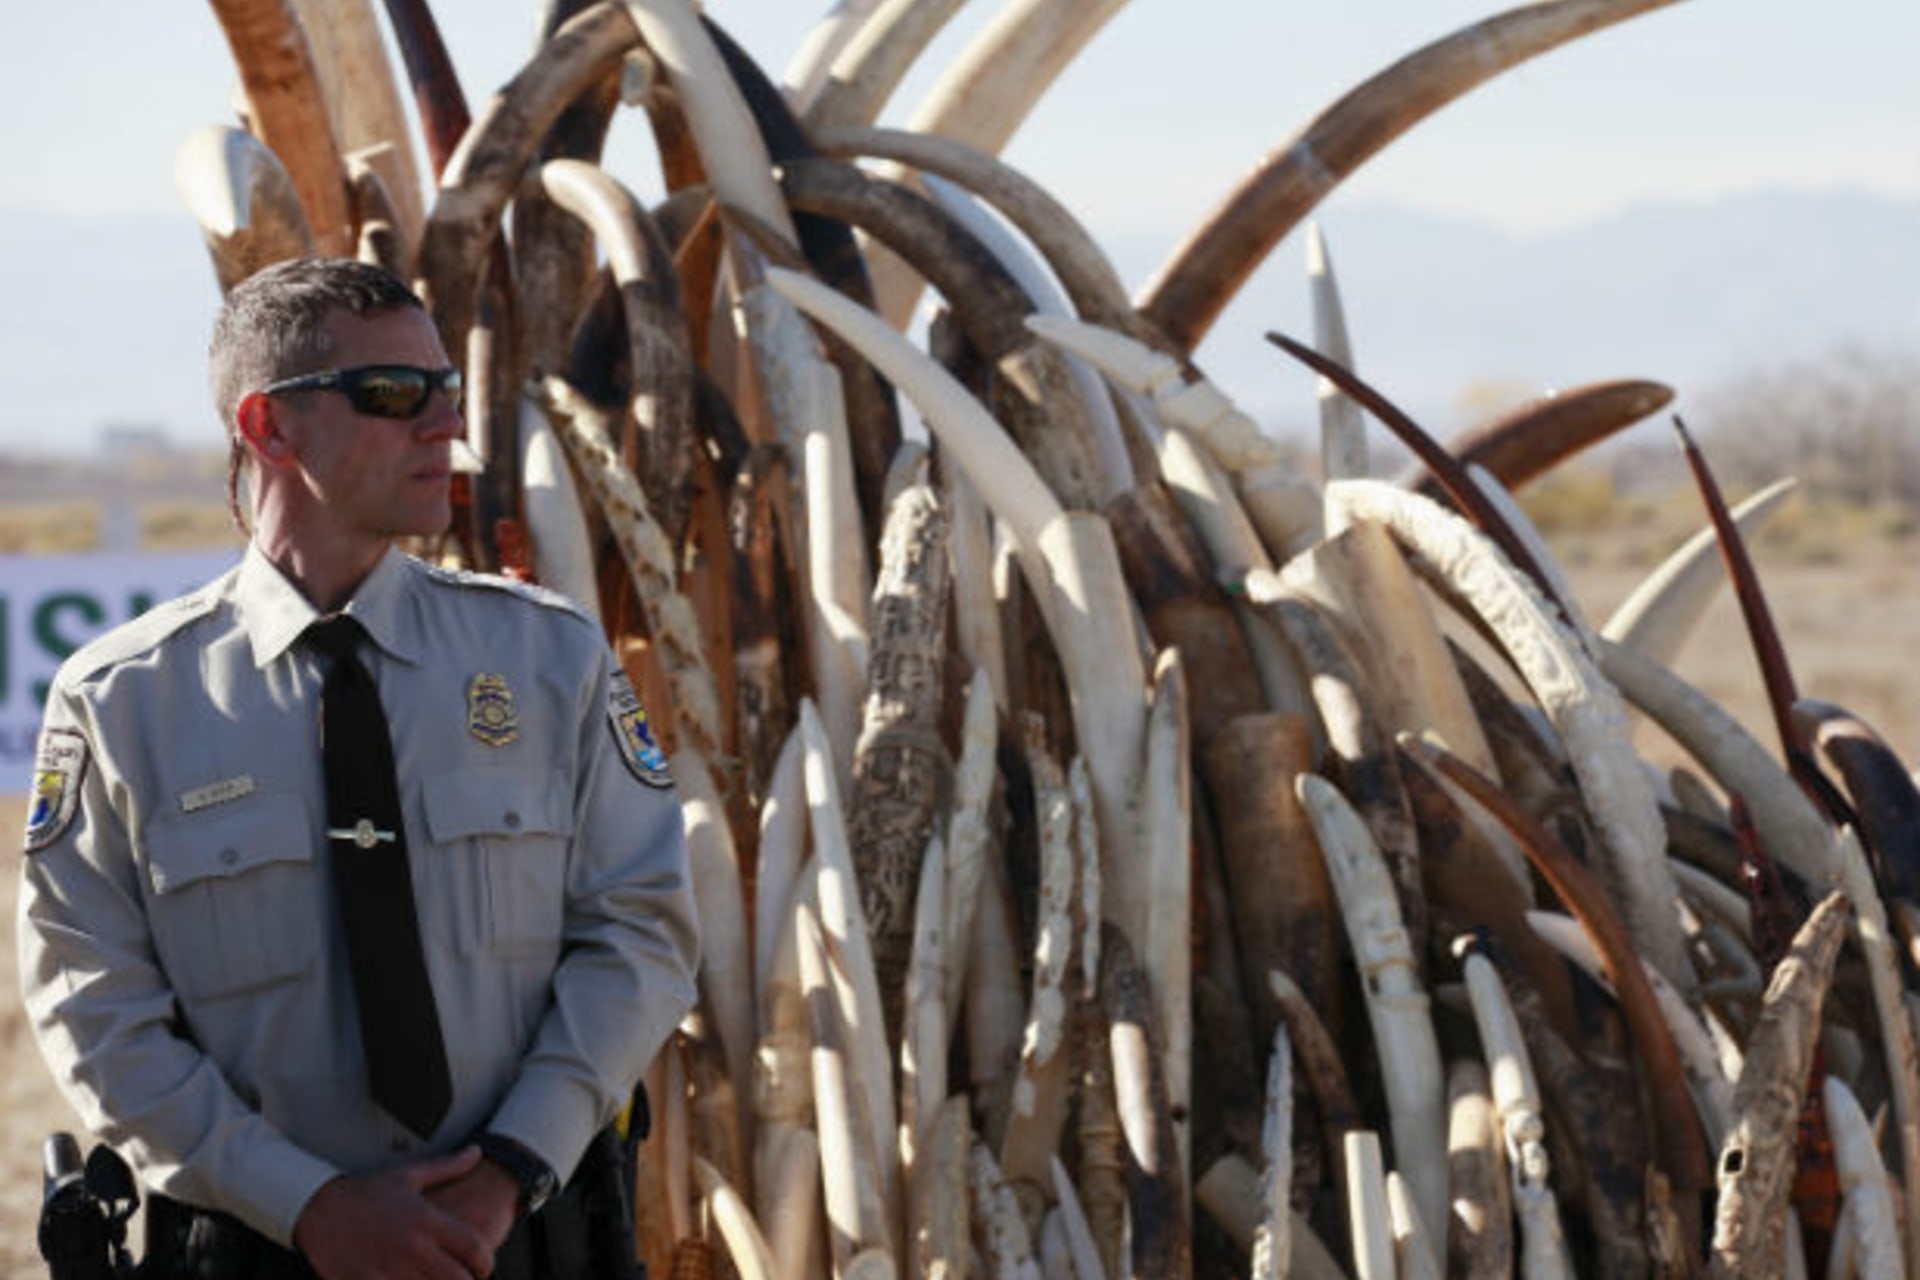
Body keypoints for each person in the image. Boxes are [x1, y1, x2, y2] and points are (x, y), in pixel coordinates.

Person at [18, 256, 700, 1279]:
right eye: (393, 394)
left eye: (446, 391)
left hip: (522, 1242)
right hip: (253, 1251)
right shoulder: (123, 702)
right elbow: (94, 1004)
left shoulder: (548, 660)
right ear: (268, 427)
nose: (443, 425)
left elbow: (639, 929)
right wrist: (313, 1206)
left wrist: (507, 1170)